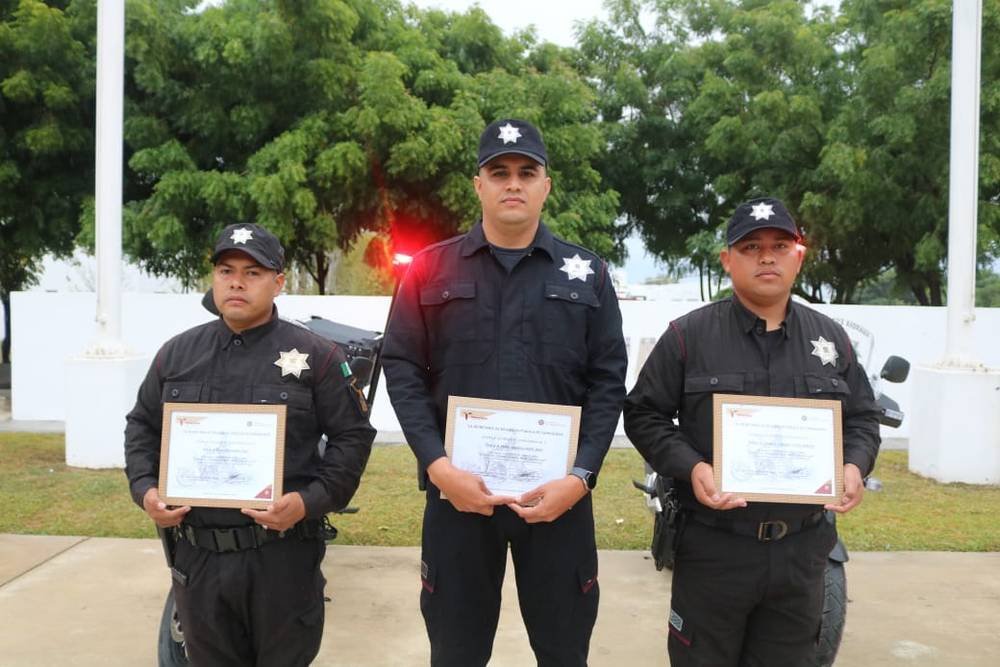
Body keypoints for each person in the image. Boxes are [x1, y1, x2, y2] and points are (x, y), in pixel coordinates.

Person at [381, 118, 627, 666]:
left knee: (564, 651)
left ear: (546, 185)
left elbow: (607, 381)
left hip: (557, 500)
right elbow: (402, 367)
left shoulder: (587, 273)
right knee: (456, 651)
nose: (512, 183)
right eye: (499, 172)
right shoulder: (428, 269)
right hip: (459, 500)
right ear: (479, 185)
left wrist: (580, 477)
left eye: (525, 172)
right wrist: (438, 466)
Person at [623, 197, 882, 666]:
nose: (767, 256)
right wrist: (693, 467)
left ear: (798, 256)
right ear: (727, 260)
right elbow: (643, 414)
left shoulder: (831, 340)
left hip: (801, 554)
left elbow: (862, 416)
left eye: (780, 245)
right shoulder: (688, 336)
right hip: (714, 548)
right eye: (750, 246)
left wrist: (853, 465)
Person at [124, 223, 375, 666]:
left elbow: (352, 438)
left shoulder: (316, 357)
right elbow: (142, 427)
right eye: (226, 270)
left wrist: (309, 501)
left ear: (279, 282)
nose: (237, 281)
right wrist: (145, 490)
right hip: (199, 558)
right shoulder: (176, 355)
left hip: (281, 557)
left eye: (253, 272)